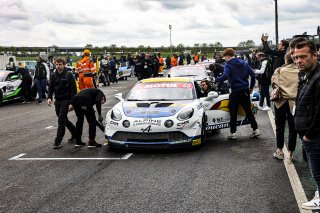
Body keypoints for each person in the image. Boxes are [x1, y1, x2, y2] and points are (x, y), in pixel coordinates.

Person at [293, 40, 320, 211]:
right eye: (296, 57)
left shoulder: (317, 77)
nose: (298, 61)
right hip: (309, 133)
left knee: (317, 171)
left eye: (303, 56)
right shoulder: (306, 74)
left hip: (314, 135)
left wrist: (309, 134)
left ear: (315, 55)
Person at [215, 48, 260, 139]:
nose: (225, 59)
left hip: (235, 91)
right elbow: (253, 74)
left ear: (228, 56)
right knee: (248, 111)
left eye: (225, 57)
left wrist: (217, 79)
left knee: (233, 111)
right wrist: (251, 87)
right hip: (245, 90)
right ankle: (255, 129)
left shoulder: (228, 65)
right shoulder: (244, 63)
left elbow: (225, 76)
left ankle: (233, 132)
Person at [271, 52, 298, 163]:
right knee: (293, 128)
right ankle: (291, 154)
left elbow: (274, 83)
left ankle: (280, 150)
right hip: (294, 102)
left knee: (280, 126)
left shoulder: (279, 70)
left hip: (280, 101)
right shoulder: (299, 71)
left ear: (286, 60)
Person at [47, 58, 77, 149]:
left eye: (60, 64)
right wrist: (49, 97)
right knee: (63, 119)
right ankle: (75, 133)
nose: (58, 66)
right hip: (58, 100)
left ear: (64, 64)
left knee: (61, 121)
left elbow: (73, 90)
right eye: (57, 64)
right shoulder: (53, 75)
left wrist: (72, 103)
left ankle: (57, 141)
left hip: (66, 100)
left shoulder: (69, 74)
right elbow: (51, 87)